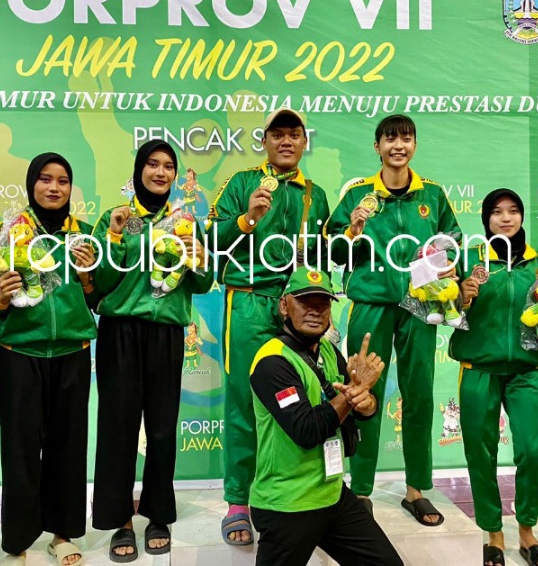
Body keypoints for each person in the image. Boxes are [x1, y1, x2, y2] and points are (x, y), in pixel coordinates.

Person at [325, 114, 461, 524]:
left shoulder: (432, 194)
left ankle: (416, 489)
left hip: (420, 305)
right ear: (377, 146)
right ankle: (361, 488)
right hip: (371, 303)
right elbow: (332, 251)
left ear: (414, 145)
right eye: (390, 139)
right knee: (361, 392)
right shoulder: (358, 194)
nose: (398, 146)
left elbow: (452, 241)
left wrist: (445, 265)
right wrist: (351, 231)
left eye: (405, 139)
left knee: (419, 393)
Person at [207, 108, 331, 544]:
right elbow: (209, 240)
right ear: (264, 141)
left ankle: (291, 495)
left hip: (296, 307)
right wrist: (247, 219)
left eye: (294, 134)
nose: (286, 141)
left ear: (304, 142)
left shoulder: (315, 195)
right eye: (277, 134)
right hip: (247, 303)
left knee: (302, 401)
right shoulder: (242, 183)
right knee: (244, 403)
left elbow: (322, 258)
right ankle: (238, 501)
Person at [91, 140, 214, 562]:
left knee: (161, 429)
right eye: (152, 164)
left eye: (168, 166)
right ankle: (119, 519)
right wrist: (113, 235)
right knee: (118, 428)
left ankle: (158, 513)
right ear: (138, 169)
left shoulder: (186, 221)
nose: (160, 173)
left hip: (166, 333)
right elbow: (99, 282)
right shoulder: (116, 217)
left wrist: (200, 258)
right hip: (120, 331)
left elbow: (203, 283)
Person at [0, 153, 96, 566]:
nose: (54, 188)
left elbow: (98, 299)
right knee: (20, 453)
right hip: (20, 356)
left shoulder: (85, 237)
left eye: (63, 181)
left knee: (68, 450)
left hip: (72, 355)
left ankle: (62, 535)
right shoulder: (7, 233)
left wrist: (87, 278)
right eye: (45, 179)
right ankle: (17, 543)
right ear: (32, 184)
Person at [248, 267, 402, 566]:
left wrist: (366, 402)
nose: (315, 311)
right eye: (305, 302)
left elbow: (357, 409)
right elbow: (307, 431)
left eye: (322, 303)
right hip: (287, 503)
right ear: (284, 306)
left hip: (332, 494)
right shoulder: (272, 361)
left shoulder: (329, 351)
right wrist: (351, 396)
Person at [452, 189, 538, 566]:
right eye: (497, 212)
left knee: (532, 450)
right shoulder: (469, 259)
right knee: (481, 454)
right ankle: (493, 532)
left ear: (522, 216)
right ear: (486, 219)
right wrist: (461, 296)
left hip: (527, 371)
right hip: (478, 369)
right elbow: (442, 309)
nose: (506, 218)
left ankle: (527, 532)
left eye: (513, 211)